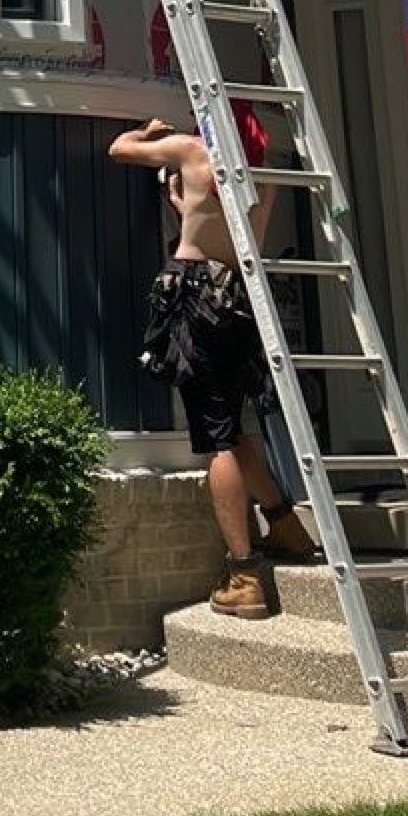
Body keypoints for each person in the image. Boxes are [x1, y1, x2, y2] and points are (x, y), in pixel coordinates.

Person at [110, 103, 319, 620]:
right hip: (239, 297)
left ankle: (243, 573)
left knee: (217, 440)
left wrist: (149, 129)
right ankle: (286, 527)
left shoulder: (192, 151)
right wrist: (191, 214)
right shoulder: (262, 177)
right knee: (234, 425)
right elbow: (234, 237)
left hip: (195, 301)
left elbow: (119, 149)